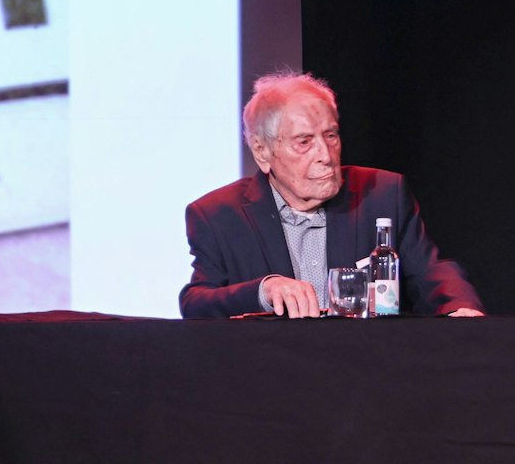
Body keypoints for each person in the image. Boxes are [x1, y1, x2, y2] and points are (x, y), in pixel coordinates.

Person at [180, 70, 483, 318]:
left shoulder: (382, 194)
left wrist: (459, 307)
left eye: (331, 135)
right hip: (270, 379)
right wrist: (265, 291)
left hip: (366, 375)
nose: (326, 154)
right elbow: (196, 303)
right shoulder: (218, 216)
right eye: (304, 142)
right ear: (262, 151)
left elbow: (431, 271)